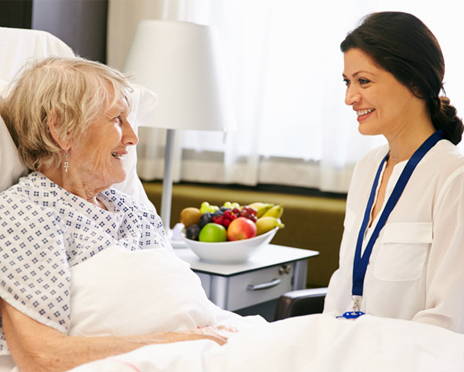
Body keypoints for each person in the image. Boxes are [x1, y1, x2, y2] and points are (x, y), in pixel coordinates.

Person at [0, 57, 262, 372]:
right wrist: (179, 342)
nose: (132, 137)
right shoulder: (25, 213)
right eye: (117, 119)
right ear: (61, 130)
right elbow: (42, 357)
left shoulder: (133, 209)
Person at [323, 11, 464, 332]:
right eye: (347, 82)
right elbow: (344, 282)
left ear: (414, 81)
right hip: (343, 349)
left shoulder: (454, 178)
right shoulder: (367, 168)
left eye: (364, 81)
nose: (349, 97)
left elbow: (447, 318)